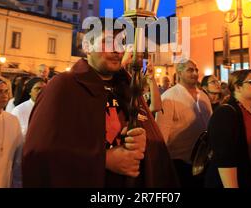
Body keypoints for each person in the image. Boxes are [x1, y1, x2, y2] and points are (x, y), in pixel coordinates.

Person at [22, 19, 178, 187]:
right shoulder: (63, 86)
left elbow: (154, 142)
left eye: (121, 43)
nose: (118, 50)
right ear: (87, 46)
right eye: (108, 42)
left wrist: (143, 142)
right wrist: (104, 160)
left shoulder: (128, 87)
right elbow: (39, 152)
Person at [156, 59, 212, 187]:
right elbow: (161, 136)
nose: (195, 73)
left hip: (204, 161)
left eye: (196, 70)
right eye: (190, 70)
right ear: (179, 73)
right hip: (180, 164)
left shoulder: (203, 96)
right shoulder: (169, 97)